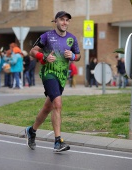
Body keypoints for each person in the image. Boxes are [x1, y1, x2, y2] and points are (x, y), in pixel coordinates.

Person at [25, 11, 81, 152]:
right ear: (55, 21)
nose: (65, 23)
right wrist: (44, 57)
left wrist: (73, 55)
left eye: (67, 20)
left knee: (47, 108)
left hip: (62, 76)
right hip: (48, 73)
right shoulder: (46, 36)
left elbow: (79, 56)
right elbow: (32, 51)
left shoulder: (72, 39)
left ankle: (31, 131)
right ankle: (58, 142)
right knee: (58, 103)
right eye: (62, 20)